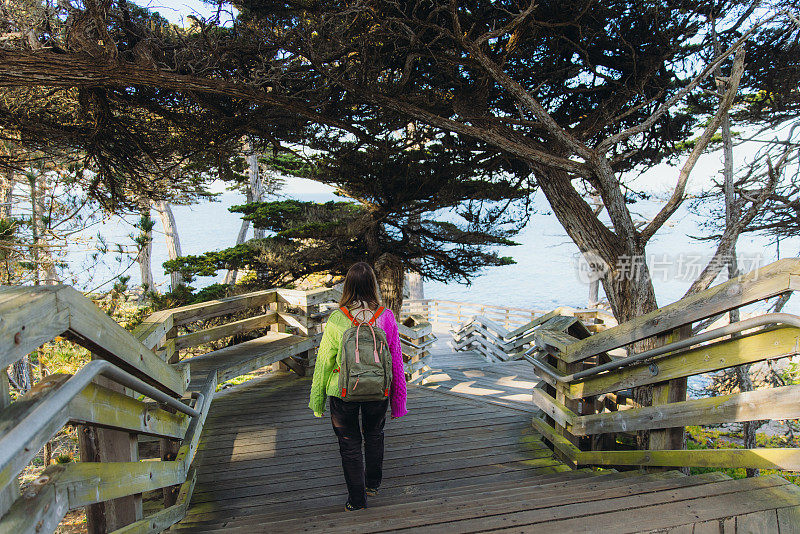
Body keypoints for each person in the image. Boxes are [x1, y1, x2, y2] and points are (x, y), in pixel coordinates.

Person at [309, 261, 408, 511]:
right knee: (375, 436)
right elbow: (396, 361)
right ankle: (372, 485)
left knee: (349, 443)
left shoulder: (336, 319)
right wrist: (398, 402)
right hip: (378, 391)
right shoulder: (385, 317)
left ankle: (356, 500)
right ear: (373, 285)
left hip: (343, 392)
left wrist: (317, 401)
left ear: (348, 286)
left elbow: (323, 363)